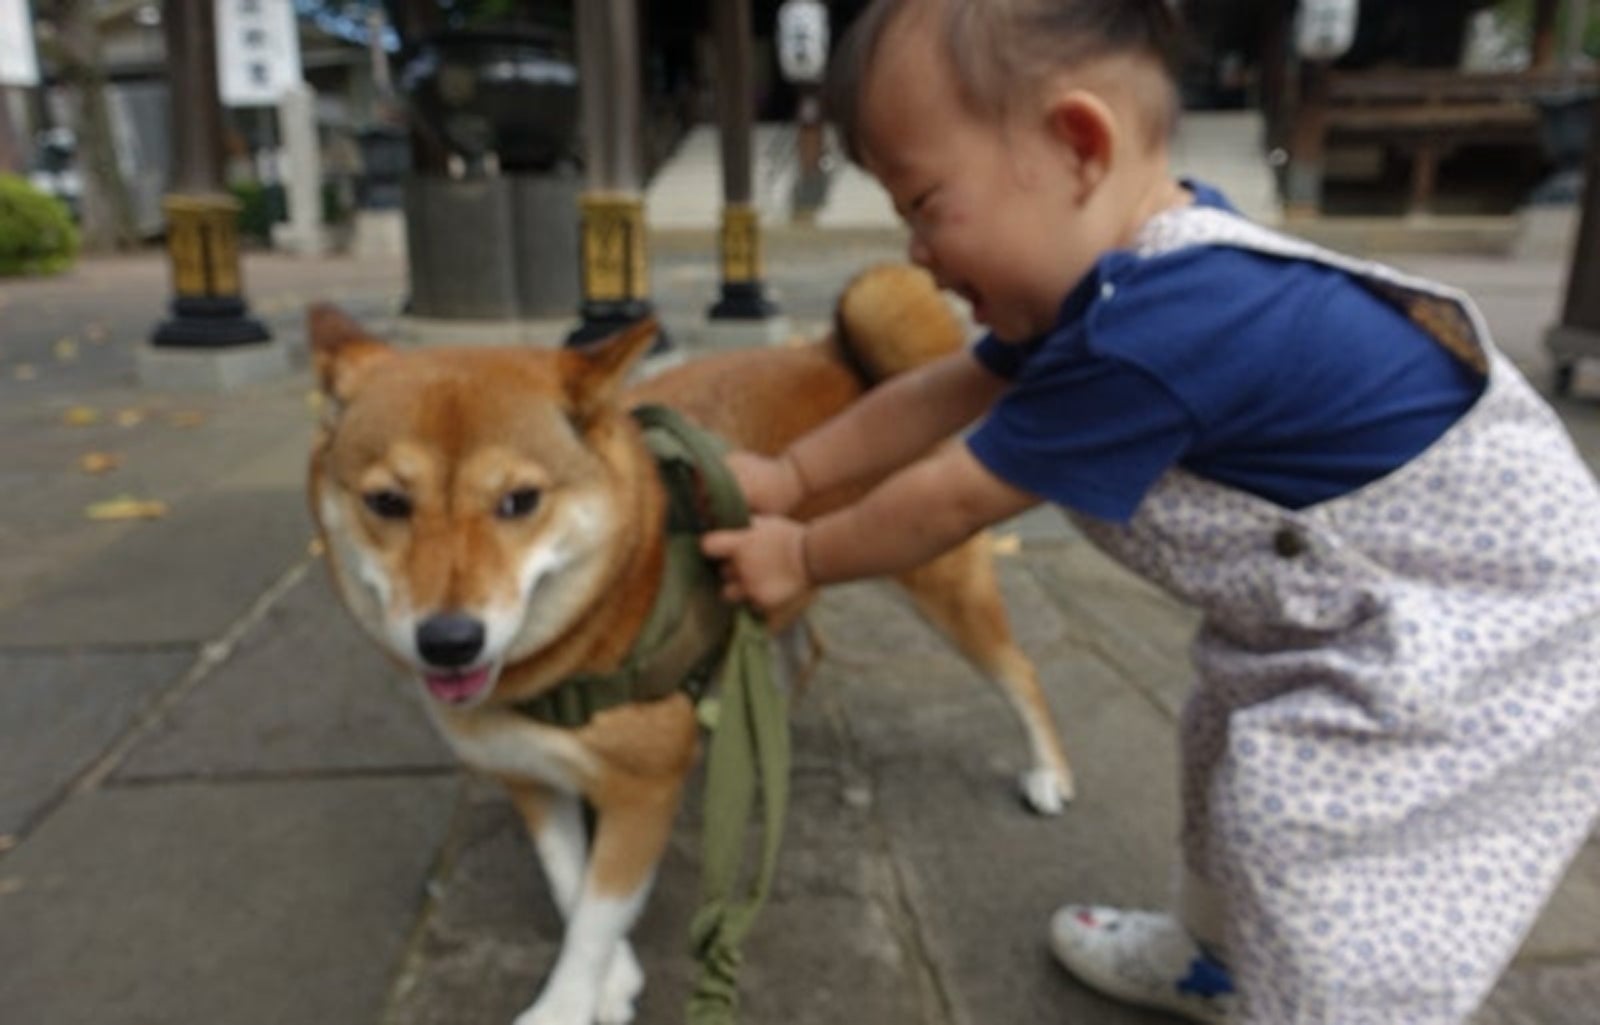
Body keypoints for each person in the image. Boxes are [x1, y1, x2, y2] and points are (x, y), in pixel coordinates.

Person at [699, 0, 1600, 1022]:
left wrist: (806, 552)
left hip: (1487, 623)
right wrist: (791, 475)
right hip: (1346, 605)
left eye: (924, 203)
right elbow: (943, 388)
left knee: (1315, 829)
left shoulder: (1160, 326)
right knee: (1218, 741)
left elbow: (952, 494)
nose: (913, 251)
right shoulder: (1119, 281)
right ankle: (1213, 955)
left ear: (1077, 146)